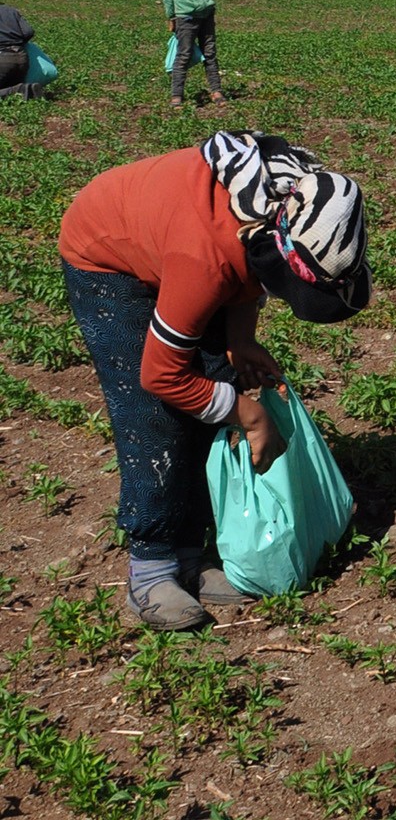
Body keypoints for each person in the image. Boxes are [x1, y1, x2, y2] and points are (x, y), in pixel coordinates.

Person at [58, 131, 370, 629]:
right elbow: (160, 374)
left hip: (180, 242)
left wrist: (240, 339)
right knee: (154, 416)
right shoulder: (202, 259)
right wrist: (249, 415)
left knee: (218, 376)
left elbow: (248, 272)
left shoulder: (277, 207)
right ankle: (151, 565)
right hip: (106, 256)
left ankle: (191, 551)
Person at [0, 0, 39, 99]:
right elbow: (28, 32)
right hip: (22, 59)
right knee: (6, 86)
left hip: (2, 59)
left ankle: (18, 91)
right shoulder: (10, 10)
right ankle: (23, 90)